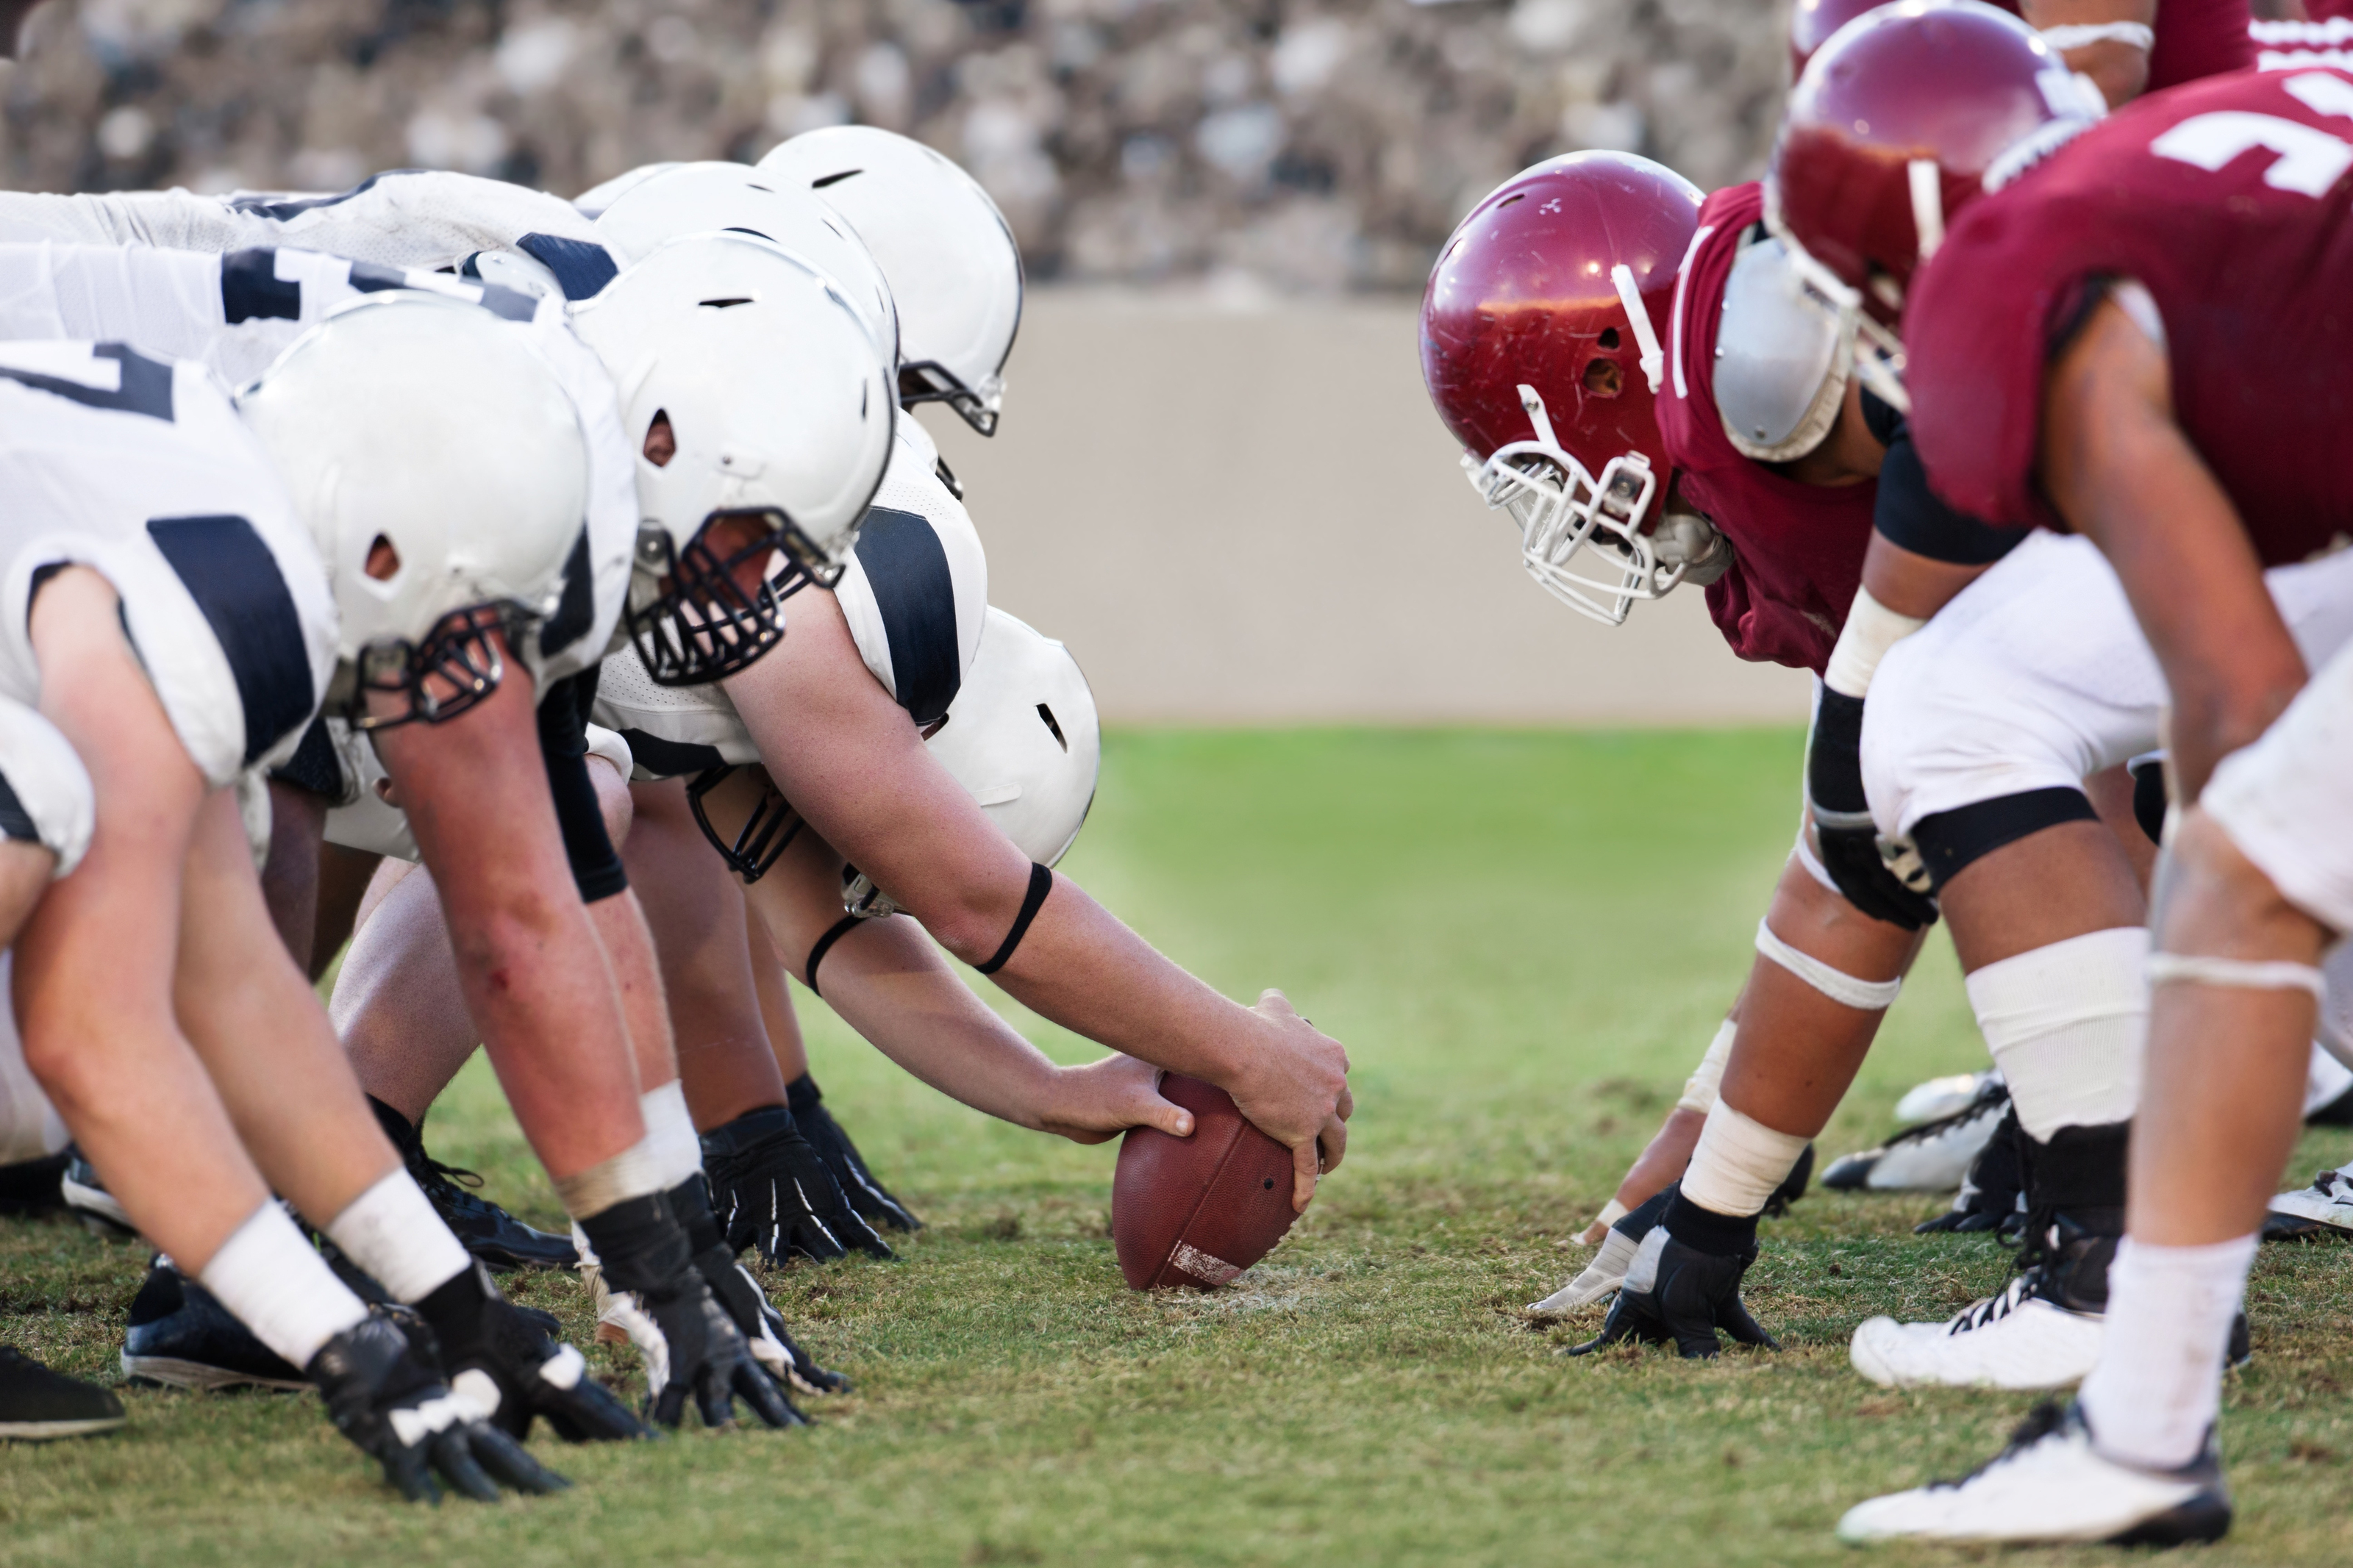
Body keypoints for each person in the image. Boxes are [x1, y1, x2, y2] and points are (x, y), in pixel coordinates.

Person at [1754, 29, 2353, 1544]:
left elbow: (2234, 692)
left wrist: (2219, 968)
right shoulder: (2203, 137)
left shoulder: (2017, 267)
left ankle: (2139, 1426)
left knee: (2241, 872)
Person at [0, 300, 651, 1494]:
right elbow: (93, 1041)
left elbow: (248, 998)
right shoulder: (218, 597)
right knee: (32, 889)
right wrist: (338, 1341)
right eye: (473, 616)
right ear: (385, 549)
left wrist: (450, 1306)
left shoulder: (219, 505)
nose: (476, 665)